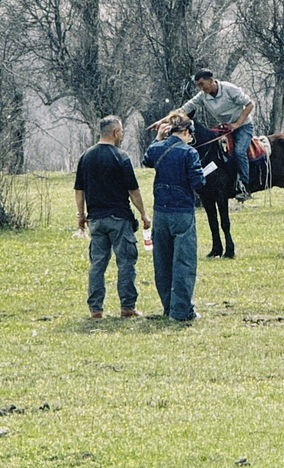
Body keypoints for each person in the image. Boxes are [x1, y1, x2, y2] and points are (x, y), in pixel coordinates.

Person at [74, 115, 150, 319]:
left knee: (97, 265)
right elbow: (133, 190)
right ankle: (127, 307)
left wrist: (81, 216)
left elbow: (79, 190)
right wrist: (143, 213)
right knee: (126, 263)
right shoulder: (121, 157)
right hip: (119, 219)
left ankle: (96, 309)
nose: (122, 134)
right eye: (122, 131)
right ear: (116, 132)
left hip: (96, 220)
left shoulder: (85, 157)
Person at [154, 69, 255, 201]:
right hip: (225, 128)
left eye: (202, 84)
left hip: (243, 126)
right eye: (198, 85)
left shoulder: (229, 89)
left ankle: (244, 186)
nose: (201, 88)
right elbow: (184, 109)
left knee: (239, 151)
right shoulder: (203, 96)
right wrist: (161, 121)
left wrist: (237, 124)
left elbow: (250, 104)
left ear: (211, 80)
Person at [143, 118, 206, 321]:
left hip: (160, 211)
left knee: (162, 261)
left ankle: (168, 306)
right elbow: (198, 182)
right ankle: (182, 310)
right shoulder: (190, 153)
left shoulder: (158, 148)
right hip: (182, 212)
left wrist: (158, 137)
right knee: (184, 261)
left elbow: (147, 160)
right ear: (187, 131)